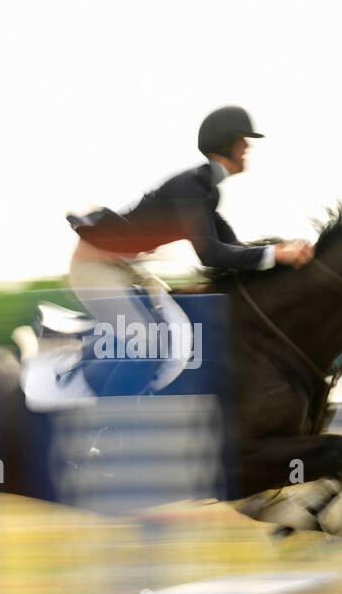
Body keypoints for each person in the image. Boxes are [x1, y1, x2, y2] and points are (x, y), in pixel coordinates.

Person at [62, 106, 313, 396]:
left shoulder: (206, 189)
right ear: (226, 143)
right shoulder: (192, 186)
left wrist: (281, 252)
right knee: (148, 345)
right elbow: (212, 255)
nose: (248, 147)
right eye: (243, 140)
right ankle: (108, 429)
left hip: (123, 270)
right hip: (94, 269)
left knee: (173, 329)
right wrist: (276, 254)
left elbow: (232, 248)